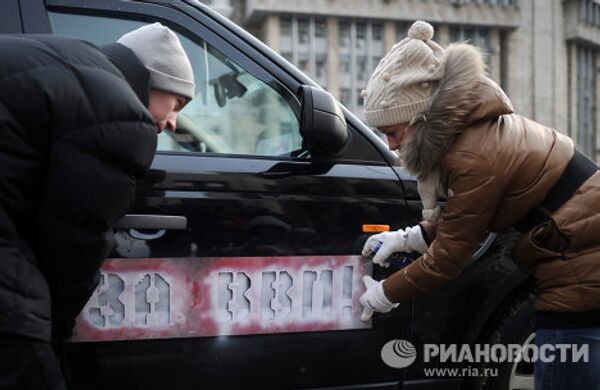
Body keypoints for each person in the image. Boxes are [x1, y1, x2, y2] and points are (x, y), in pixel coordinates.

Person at [359, 20, 599, 389]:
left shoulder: (473, 155)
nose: (390, 145)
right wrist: (409, 238)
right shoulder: (474, 134)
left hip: (584, 261)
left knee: (565, 368)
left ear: (422, 120)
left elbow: (447, 260)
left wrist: (382, 294)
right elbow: (465, 216)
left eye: (393, 132)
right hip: (577, 248)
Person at [0, 22, 194, 389]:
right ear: (152, 80)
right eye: (177, 103)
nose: (172, 122)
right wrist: (54, 331)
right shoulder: (119, 111)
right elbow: (73, 243)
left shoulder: (73, 62)